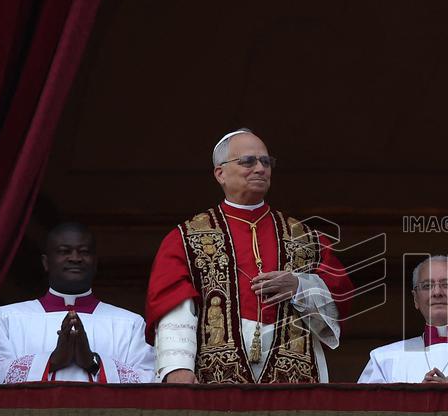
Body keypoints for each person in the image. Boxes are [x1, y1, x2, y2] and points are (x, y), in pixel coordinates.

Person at [146, 129, 352, 384]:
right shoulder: (186, 238)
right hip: (212, 373)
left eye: (266, 162)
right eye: (248, 161)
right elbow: (173, 303)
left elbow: (341, 295)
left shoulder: (305, 238)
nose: (260, 168)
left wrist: (299, 286)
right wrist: (177, 368)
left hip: (293, 372)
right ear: (220, 173)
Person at [0, 223, 154, 383]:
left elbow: (152, 379)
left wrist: (93, 363)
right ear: (46, 262)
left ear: (96, 262)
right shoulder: (6, 318)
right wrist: (51, 361)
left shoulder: (130, 324)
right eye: (64, 251)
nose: (75, 258)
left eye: (84, 251)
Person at [358, 256, 448, 383]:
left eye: (447, 285)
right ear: (416, 298)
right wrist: (419, 401)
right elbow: (367, 413)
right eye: (427, 286)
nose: (437, 292)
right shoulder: (383, 360)